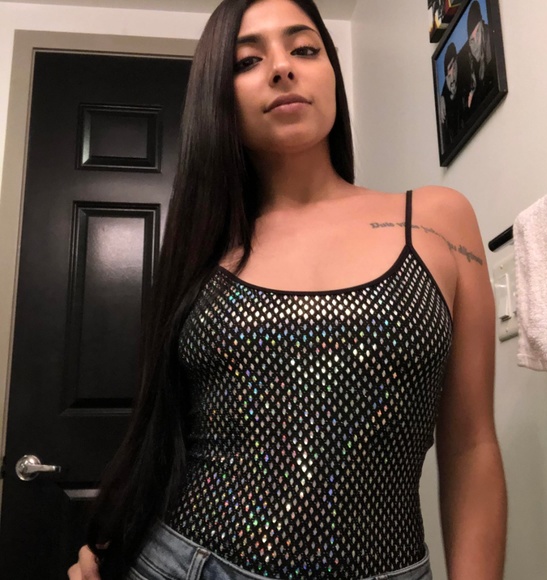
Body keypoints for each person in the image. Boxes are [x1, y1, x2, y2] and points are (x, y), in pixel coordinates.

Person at [68, 0, 507, 578]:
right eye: (247, 61)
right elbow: (161, 430)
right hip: (183, 563)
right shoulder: (204, 251)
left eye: (304, 48)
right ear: (218, 98)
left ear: (332, 73)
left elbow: (471, 445)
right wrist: (113, 544)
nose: (282, 67)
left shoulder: (436, 220)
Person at [461, 0, 497, 112]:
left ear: (482, 26)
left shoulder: (492, 40)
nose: (476, 42)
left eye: (478, 32)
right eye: (472, 40)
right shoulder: (470, 58)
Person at [439, 42, 465, 151]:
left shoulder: (464, 78)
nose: (452, 77)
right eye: (448, 75)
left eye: (454, 67)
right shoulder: (444, 108)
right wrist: (441, 97)